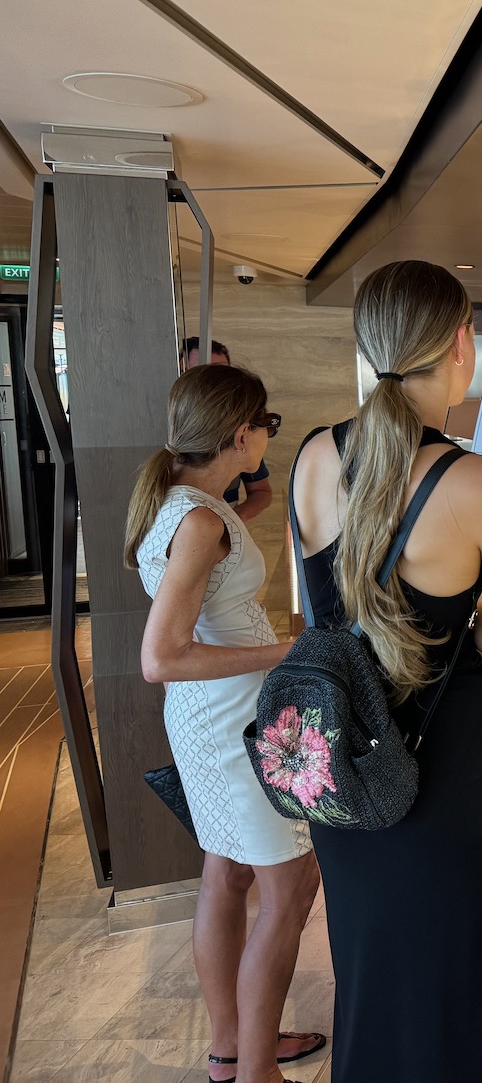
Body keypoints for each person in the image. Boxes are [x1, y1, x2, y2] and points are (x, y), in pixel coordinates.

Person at [290, 260, 482, 1082]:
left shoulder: (313, 458)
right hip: (446, 771)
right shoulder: (478, 481)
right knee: (447, 988)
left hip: (347, 764)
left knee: (368, 971)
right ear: (462, 345)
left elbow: (326, 612)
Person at [127, 364, 325, 1083]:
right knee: (290, 888)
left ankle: (233, 1047)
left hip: (214, 719)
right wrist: (286, 649)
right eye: (263, 423)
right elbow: (161, 656)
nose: (268, 434)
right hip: (231, 720)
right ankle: (257, 1073)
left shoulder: (184, 502)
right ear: (240, 432)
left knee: (226, 875)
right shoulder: (202, 520)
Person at [180, 336, 273, 521]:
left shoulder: (243, 433)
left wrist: (229, 521)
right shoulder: (176, 428)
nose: (215, 382)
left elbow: (261, 491)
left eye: (222, 371)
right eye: (202, 371)